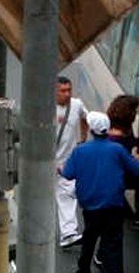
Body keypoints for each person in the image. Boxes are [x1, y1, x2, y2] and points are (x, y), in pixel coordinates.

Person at [62, 112, 139, 273]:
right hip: (113, 205)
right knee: (113, 244)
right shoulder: (117, 150)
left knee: (89, 238)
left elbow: (68, 173)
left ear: (91, 129)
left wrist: (60, 167)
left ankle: (83, 268)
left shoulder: (80, 151)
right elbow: (136, 169)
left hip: (90, 207)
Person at [107, 94, 139, 227]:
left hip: (119, 170)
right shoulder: (116, 140)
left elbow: (131, 141)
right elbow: (135, 166)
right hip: (117, 175)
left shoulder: (124, 129)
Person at [55, 76, 89, 248]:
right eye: (63, 91)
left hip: (66, 161)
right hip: (44, 161)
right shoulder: (45, 108)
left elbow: (86, 118)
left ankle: (68, 233)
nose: (67, 94)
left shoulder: (77, 105)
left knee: (66, 193)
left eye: (69, 90)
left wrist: (83, 138)